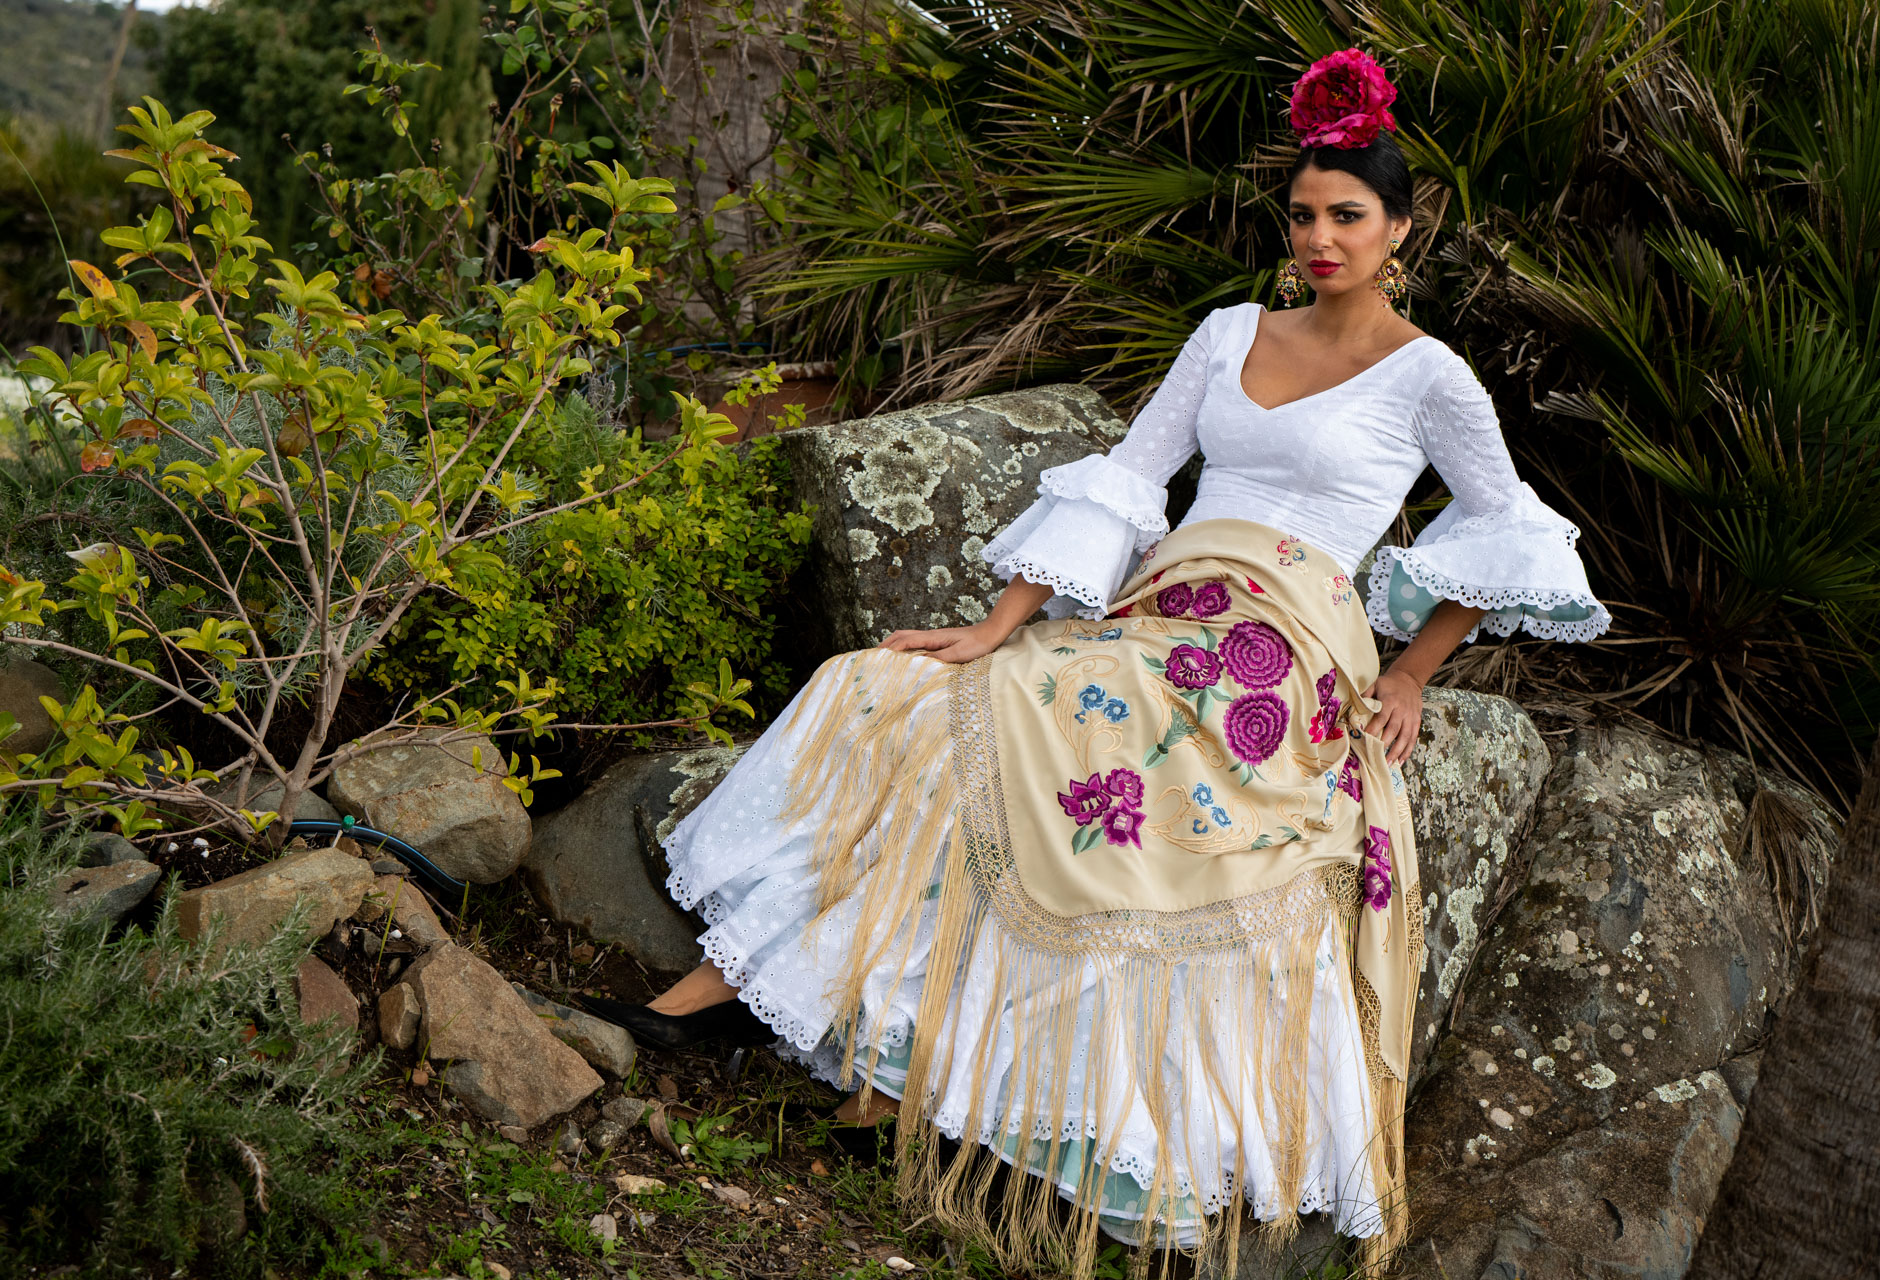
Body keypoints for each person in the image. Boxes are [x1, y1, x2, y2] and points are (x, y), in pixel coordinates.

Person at [582, 49, 1608, 1277]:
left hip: (1281, 643)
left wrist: (1413, 670)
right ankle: (736, 998)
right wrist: (997, 624)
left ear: (1398, 228)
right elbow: (1131, 475)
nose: (1321, 239)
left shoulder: (1430, 374)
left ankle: (915, 1078)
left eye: (1347, 215)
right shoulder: (1229, 333)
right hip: (1163, 604)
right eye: (1302, 215)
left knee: (1093, 757)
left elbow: (1508, 532)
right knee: (918, 692)